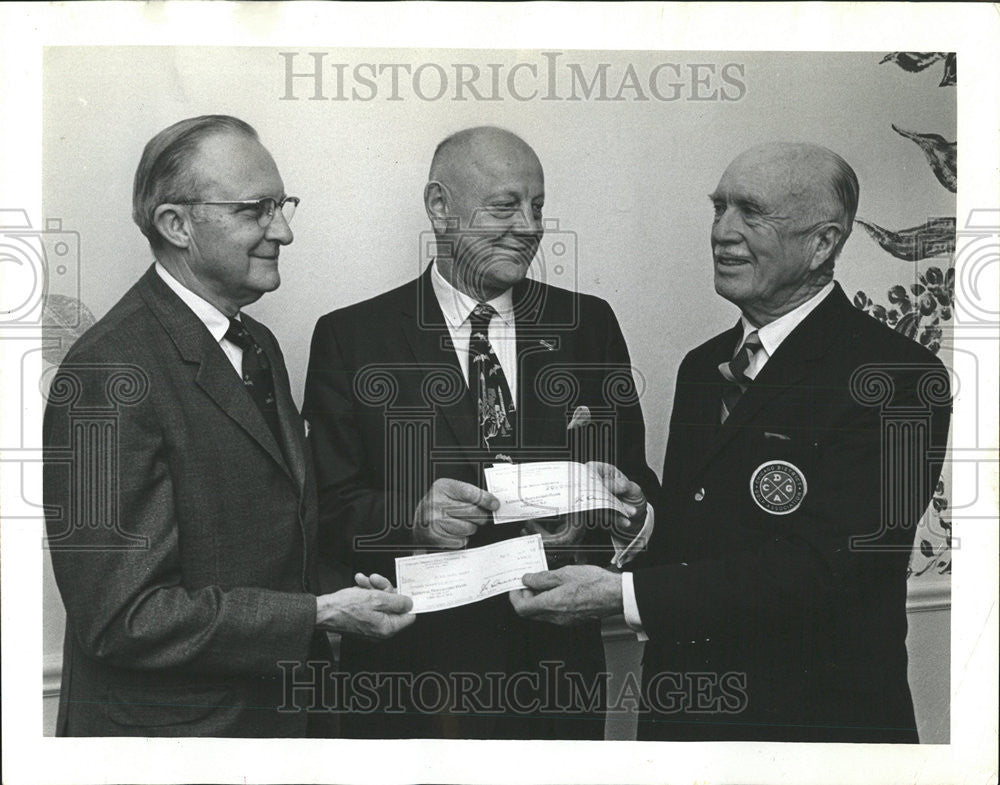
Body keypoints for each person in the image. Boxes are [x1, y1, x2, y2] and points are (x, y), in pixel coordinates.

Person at [510, 142, 952, 743]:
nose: (722, 232)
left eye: (751, 212)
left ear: (823, 243)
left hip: (813, 730)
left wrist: (626, 594)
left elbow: (829, 569)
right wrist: (640, 519)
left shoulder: (900, 379)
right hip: (685, 719)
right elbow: (707, 532)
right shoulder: (703, 367)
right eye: (718, 208)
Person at [43, 115, 414, 738]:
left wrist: (340, 593)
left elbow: (264, 537)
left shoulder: (256, 344)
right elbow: (121, 617)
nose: (285, 231)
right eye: (255, 210)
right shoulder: (106, 373)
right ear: (176, 225)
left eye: (282, 205)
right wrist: (317, 614)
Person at [303, 126, 658, 739]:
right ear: (439, 206)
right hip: (410, 676)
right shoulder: (352, 338)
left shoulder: (589, 326)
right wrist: (412, 517)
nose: (528, 226)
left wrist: (634, 515)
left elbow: (635, 478)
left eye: (538, 206)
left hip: (558, 675)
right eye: (505, 205)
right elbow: (326, 507)